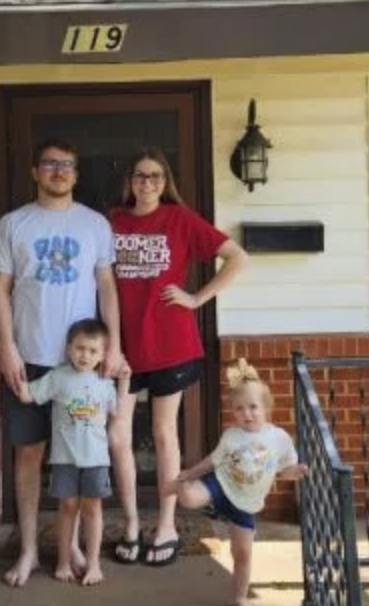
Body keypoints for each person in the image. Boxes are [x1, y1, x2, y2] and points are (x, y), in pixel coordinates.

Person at [0, 138, 124, 588]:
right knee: (29, 453)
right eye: (49, 164)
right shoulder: (13, 225)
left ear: (76, 174)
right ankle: (28, 549)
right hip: (29, 359)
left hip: (82, 365)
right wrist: (6, 345)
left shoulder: (95, 224)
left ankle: (73, 546)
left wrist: (114, 346)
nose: (59, 171)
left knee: (80, 457)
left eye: (67, 164)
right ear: (35, 171)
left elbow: (107, 288)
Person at [108, 147, 249, 567]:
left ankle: (167, 525)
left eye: (155, 176)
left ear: (165, 182)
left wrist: (196, 298)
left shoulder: (180, 219)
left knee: (164, 433)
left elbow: (237, 257)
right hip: (121, 347)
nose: (147, 182)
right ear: (129, 181)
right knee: (117, 434)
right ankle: (131, 523)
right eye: (140, 175)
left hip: (169, 343)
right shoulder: (111, 221)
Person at [164, 359, 308, 606]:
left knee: (242, 554)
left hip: (246, 503)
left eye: (253, 407)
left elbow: (284, 470)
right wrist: (191, 473)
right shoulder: (231, 436)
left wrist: (294, 472)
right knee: (189, 499)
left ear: (266, 407)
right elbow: (213, 461)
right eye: (239, 409)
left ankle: (240, 598)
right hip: (221, 484)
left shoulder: (279, 439)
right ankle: (179, 487)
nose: (247, 414)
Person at [16, 319, 130, 585]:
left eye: (92, 351)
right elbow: (27, 395)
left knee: (92, 509)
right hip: (64, 459)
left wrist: (124, 381)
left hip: (96, 460)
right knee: (67, 507)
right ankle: (63, 562)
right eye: (79, 348)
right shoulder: (58, 377)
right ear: (69, 349)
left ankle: (93, 565)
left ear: (102, 355)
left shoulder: (103, 382)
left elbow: (118, 411)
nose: (85, 355)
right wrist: (13, 365)